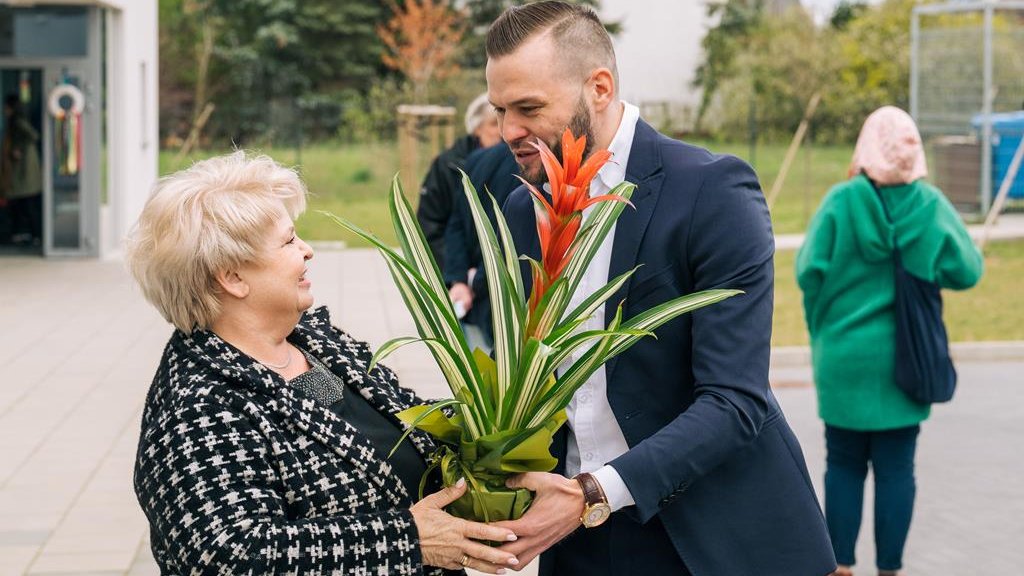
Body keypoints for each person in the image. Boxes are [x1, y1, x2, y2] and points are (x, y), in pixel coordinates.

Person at [483, 3, 837, 575]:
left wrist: (594, 493)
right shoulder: (523, 210)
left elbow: (734, 399)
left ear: (598, 87)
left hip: (712, 537)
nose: (508, 132)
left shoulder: (712, 190)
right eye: (500, 110)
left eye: (528, 108)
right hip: (578, 546)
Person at [125, 151, 521, 575]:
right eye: (289, 241)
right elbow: (233, 556)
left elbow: (400, 425)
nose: (307, 251)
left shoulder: (311, 343)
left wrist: (504, 436)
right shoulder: (199, 405)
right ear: (233, 277)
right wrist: (408, 539)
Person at [796, 107, 983, 576]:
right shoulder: (930, 205)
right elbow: (969, 270)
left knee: (843, 464)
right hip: (907, 360)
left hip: (843, 358)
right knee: (898, 469)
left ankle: (839, 566)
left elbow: (807, 272)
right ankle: (891, 569)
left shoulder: (841, 202)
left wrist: (825, 324)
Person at [445, 141, 520, 353]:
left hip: (472, 300)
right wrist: (472, 281)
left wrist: (459, 280)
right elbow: (513, 241)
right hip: (506, 306)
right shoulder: (534, 167)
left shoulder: (478, 158)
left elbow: (456, 223)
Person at [417, 92, 503, 270]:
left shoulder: (514, 162)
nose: (502, 131)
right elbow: (431, 224)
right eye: (494, 124)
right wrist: (456, 275)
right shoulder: (448, 165)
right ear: (477, 128)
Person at [1, 94, 42, 247]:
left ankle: (34, 234)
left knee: (27, 204)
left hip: (24, 173)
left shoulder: (18, 122)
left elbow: (34, 136)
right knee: (23, 204)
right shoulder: (15, 123)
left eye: (6, 107)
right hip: (21, 173)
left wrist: (19, 150)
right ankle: (26, 234)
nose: (4, 110)